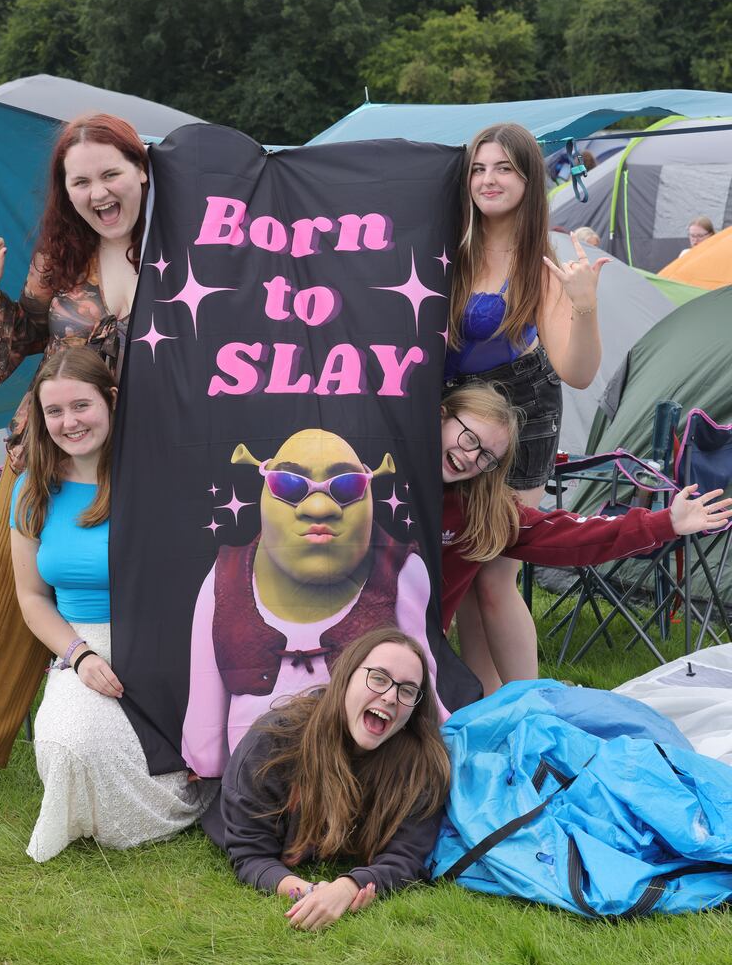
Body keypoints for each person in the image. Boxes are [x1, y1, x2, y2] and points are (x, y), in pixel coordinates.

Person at [0, 113, 149, 767]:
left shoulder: (182, 257)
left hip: (141, 463)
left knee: (127, 596)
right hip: (45, 452)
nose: (99, 191)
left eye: (111, 172)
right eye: (80, 180)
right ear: (67, 190)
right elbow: (7, 354)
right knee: (1, 598)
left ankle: (129, 729)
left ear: (142, 170)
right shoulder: (61, 258)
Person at [11, 347, 210, 862]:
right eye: (54, 411)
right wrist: (79, 654)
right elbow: (32, 599)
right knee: (69, 747)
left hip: (165, 644)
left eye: (81, 406)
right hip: (81, 644)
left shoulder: (159, 478)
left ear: (111, 400)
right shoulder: (32, 492)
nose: (69, 422)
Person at [444, 122, 610, 693]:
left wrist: (584, 307)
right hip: (455, 417)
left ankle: (529, 707)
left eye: (504, 168)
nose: (488, 180)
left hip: (520, 415)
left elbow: (578, 371)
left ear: (529, 178)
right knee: (465, 570)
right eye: (478, 168)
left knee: (495, 570)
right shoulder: (450, 246)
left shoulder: (545, 263)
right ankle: (483, 708)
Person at [181, 428, 443, 779]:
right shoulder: (224, 577)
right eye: (289, 485)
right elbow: (204, 704)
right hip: (257, 780)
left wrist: (441, 747)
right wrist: (206, 764)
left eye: (346, 487)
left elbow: (421, 682)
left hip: (361, 774)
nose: (319, 508)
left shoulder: (399, 571)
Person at [439, 382, 732, 682]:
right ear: (441, 417)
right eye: (469, 438)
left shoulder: (479, 512)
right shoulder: (391, 475)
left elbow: (570, 536)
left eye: (486, 456)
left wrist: (665, 522)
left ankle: (520, 705)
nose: (471, 456)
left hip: (415, 651)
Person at [201, 626, 450, 930]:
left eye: (407, 690)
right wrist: (308, 893)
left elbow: (407, 858)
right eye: (379, 678)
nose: (390, 697)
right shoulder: (274, 742)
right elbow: (251, 854)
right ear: (346, 677)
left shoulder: (420, 763)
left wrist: (348, 886)